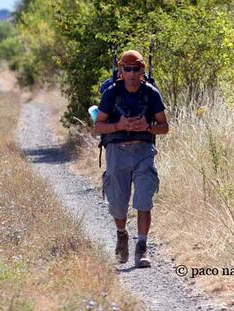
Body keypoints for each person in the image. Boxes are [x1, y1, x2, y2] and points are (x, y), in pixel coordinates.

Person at [94, 50, 169, 268]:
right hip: (117, 153)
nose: (132, 73)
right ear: (121, 71)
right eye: (127, 69)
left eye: (136, 69)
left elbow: (164, 127)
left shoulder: (151, 94)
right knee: (118, 205)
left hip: (143, 151)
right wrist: (120, 126)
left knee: (144, 200)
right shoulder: (111, 94)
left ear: (142, 70)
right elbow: (98, 126)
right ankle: (121, 234)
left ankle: (142, 248)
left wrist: (147, 127)